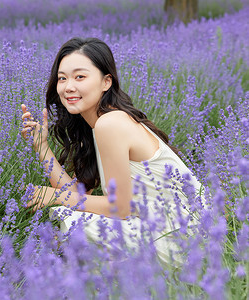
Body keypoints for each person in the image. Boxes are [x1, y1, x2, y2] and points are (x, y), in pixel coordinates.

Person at [20, 37, 204, 265]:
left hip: (183, 236)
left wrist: (56, 197)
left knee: (69, 228)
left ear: (106, 82)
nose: (68, 87)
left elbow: (119, 207)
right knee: (72, 221)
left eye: (80, 77)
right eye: (62, 78)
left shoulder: (111, 123)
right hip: (178, 230)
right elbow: (79, 196)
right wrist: (42, 147)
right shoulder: (101, 125)